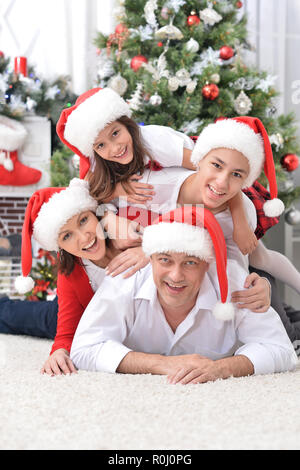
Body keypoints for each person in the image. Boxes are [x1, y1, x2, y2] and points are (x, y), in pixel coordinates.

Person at [70, 206, 298, 382]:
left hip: (255, 276)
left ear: (207, 264)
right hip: (81, 299)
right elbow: (84, 349)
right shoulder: (125, 277)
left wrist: (222, 368)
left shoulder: (235, 281)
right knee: (42, 320)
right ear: (150, 259)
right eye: (165, 260)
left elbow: (281, 351)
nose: (176, 275)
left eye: (189, 262)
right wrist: (161, 364)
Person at [56, 87, 279, 256]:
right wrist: (117, 190)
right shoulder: (99, 163)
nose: (114, 149)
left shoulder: (155, 142)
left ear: (128, 125)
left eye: (115, 133)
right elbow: (90, 197)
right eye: (101, 145)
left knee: (259, 257)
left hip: (201, 166)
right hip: (172, 205)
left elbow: (218, 176)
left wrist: (240, 222)